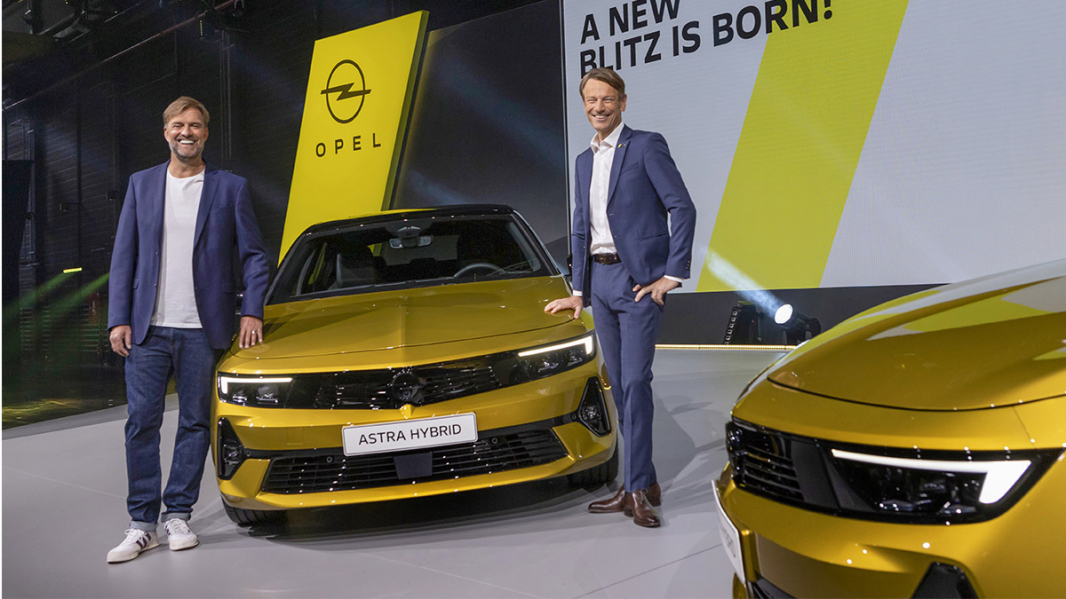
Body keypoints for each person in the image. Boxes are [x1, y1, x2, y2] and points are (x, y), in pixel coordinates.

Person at [106, 96, 270, 562]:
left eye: (195, 125)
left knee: (195, 424)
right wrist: (119, 317)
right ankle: (142, 524)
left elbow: (255, 256)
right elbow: (124, 255)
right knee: (141, 424)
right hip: (147, 329)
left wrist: (252, 311)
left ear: (205, 133)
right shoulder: (141, 184)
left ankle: (178, 514)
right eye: (178, 125)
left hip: (203, 328)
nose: (187, 132)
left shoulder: (230, 188)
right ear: (166, 132)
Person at [546, 68, 696, 528]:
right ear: (584, 105)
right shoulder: (582, 161)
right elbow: (580, 227)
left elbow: (682, 207)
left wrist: (671, 275)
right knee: (619, 385)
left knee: (634, 383)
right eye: (591, 100)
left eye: (607, 99)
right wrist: (578, 291)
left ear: (623, 102)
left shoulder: (646, 145)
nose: (599, 107)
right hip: (601, 285)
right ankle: (642, 480)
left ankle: (635, 491)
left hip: (637, 283)